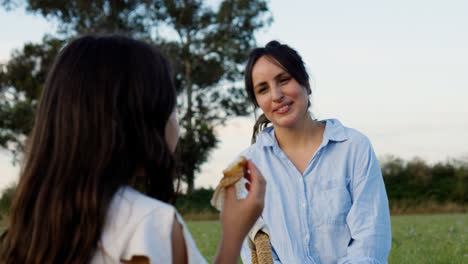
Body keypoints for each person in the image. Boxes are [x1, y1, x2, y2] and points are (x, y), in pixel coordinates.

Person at [0, 35, 266, 264]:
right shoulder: (151, 223)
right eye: (171, 105)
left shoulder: (24, 233)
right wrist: (233, 235)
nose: (177, 119)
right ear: (142, 123)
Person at [238, 41, 392, 264]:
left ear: (306, 84)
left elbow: (369, 242)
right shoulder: (245, 169)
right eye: (263, 89)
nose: (276, 95)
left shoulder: (354, 148)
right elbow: (258, 253)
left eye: (284, 80)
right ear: (258, 102)